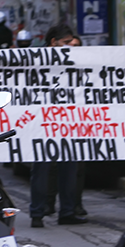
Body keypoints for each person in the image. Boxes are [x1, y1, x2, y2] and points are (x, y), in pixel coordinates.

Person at [30, 24, 85, 228]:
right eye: (65, 43)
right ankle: (37, 212)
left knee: (69, 168)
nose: (70, 46)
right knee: (42, 168)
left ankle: (67, 211)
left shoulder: (74, 60)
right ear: (53, 43)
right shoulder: (35, 60)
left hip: (69, 121)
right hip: (43, 122)